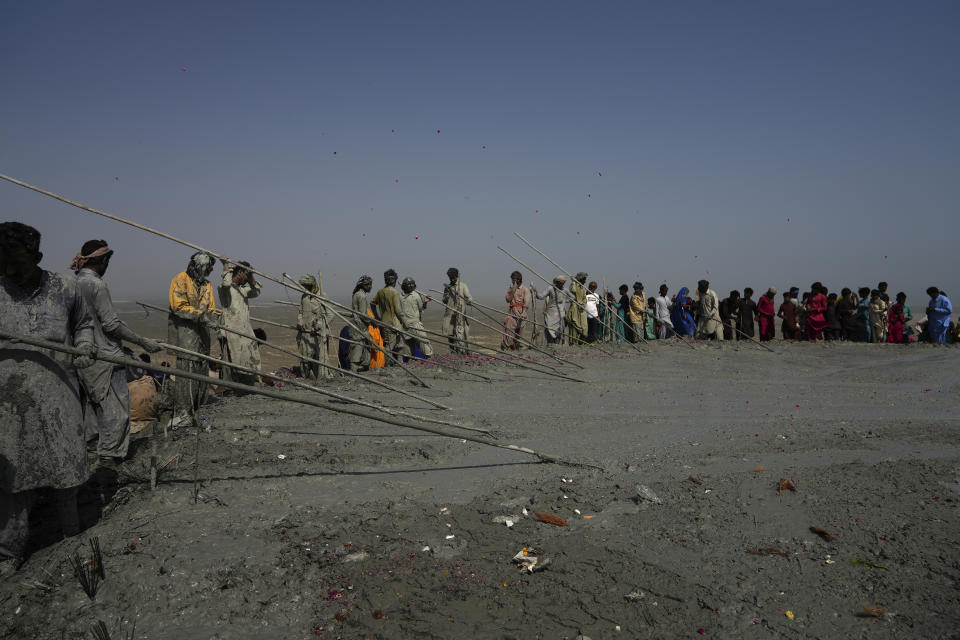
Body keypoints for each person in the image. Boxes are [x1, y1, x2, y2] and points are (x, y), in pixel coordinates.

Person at [0, 222, 96, 575]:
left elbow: (85, 323)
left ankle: (72, 532)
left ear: (37, 257)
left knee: (65, 464)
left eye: (16, 261)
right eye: (2, 259)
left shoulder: (65, 287)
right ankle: (9, 553)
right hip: (6, 399)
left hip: (58, 388)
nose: (8, 268)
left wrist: (84, 345)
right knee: (11, 477)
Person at [71, 239, 161, 466]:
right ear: (102, 260)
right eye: (107, 260)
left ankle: (91, 456)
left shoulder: (75, 282)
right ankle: (110, 462)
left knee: (92, 409)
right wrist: (143, 342)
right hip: (106, 356)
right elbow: (111, 324)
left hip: (84, 357)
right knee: (117, 412)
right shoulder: (96, 285)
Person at [168, 251, 217, 423]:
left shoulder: (207, 285)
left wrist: (215, 318)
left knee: (201, 369)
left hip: (203, 336)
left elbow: (211, 308)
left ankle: (198, 408)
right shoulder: (180, 280)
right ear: (199, 266)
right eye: (207, 268)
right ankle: (183, 413)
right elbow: (178, 306)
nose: (210, 271)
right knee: (187, 373)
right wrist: (199, 316)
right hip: (186, 335)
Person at [217, 260, 262, 385]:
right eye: (246, 275)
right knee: (232, 359)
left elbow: (257, 291)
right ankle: (230, 388)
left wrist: (251, 275)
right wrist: (225, 266)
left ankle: (245, 385)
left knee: (248, 358)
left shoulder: (243, 290)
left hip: (244, 330)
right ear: (240, 273)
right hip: (230, 329)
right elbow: (226, 283)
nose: (247, 279)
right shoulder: (224, 288)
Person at [296, 274, 333, 379]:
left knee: (318, 359)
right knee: (304, 358)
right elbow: (300, 311)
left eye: (308, 286)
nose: (305, 288)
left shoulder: (322, 295)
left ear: (313, 285)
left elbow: (330, 314)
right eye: (304, 286)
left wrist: (321, 323)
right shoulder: (304, 296)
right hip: (305, 333)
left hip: (317, 335)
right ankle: (305, 378)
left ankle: (319, 379)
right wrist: (300, 319)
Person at [370, 269, 404, 362]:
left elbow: (372, 303)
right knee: (393, 346)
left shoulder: (380, 292)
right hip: (395, 323)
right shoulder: (395, 292)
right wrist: (404, 321)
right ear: (395, 280)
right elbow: (398, 310)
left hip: (384, 322)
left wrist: (376, 317)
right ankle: (389, 366)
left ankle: (397, 363)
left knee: (389, 344)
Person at [398, 277, 433, 359]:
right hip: (405, 325)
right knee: (407, 345)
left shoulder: (416, 295)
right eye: (409, 284)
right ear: (404, 286)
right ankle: (410, 361)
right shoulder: (400, 296)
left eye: (412, 284)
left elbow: (421, 308)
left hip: (416, 324)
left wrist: (425, 302)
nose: (410, 286)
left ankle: (430, 359)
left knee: (423, 343)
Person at [442, 267, 472, 354]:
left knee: (463, 335)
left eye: (453, 277)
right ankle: (453, 353)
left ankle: (465, 353)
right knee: (451, 335)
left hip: (460, 315)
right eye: (450, 278)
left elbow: (469, 297)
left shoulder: (462, 286)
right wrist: (447, 295)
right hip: (450, 315)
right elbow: (444, 300)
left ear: (457, 276)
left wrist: (469, 301)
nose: (452, 279)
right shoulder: (448, 287)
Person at [348, 275, 374, 370]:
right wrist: (372, 322)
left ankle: (360, 370)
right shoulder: (362, 296)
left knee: (361, 349)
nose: (371, 287)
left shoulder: (356, 294)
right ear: (365, 286)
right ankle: (354, 372)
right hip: (360, 326)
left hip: (355, 325)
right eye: (370, 285)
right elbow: (363, 314)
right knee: (358, 350)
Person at [501, 271, 530, 350]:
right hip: (512, 313)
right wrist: (513, 290)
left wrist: (524, 312)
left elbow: (526, 302)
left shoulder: (525, 289)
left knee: (519, 334)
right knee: (508, 328)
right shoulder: (511, 288)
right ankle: (508, 347)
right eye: (512, 280)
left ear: (518, 280)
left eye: (514, 280)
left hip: (520, 314)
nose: (513, 281)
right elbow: (508, 299)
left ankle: (516, 348)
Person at [537, 276, 567, 345]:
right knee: (550, 331)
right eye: (559, 283)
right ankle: (550, 345)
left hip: (560, 316)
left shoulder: (563, 292)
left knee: (559, 331)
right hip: (551, 316)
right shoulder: (550, 292)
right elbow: (541, 297)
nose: (561, 284)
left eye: (562, 283)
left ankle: (557, 345)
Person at [565, 272, 589, 345]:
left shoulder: (583, 288)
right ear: (581, 279)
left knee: (584, 328)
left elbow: (585, 298)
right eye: (584, 279)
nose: (585, 281)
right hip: (574, 308)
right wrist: (574, 282)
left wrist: (583, 303)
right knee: (574, 326)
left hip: (581, 309)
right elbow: (573, 291)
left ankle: (580, 343)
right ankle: (573, 343)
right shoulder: (574, 285)